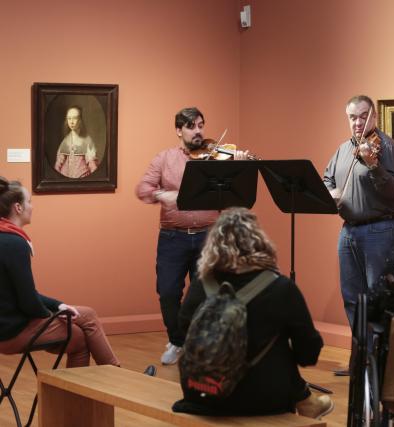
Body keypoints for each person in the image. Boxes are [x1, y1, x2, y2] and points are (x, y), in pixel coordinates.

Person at [173, 207, 333, 419]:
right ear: (259, 241)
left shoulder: (201, 283)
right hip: (260, 400)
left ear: (213, 244)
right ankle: (304, 398)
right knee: (276, 341)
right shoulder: (280, 288)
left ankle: (303, 397)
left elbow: (182, 331)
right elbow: (308, 352)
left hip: (200, 394)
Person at [136, 107, 248, 365]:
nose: (198, 131)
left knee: (206, 293)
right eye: (191, 126)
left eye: (200, 125)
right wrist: (160, 195)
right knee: (167, 291)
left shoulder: (216, 157)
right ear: (178, 130)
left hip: (208, 237)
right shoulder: (164, 159)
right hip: (172, 238)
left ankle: (197, 345)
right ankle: (177, 341)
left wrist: (240, 162)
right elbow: (143, 188)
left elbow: (238, 189)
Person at [0, 177, 119, 368]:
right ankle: (117, 379)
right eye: (29, 201)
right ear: (18, 208)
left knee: (80, 331)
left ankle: (95, 387)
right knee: (85, 324)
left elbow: (22, 293)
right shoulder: (14, 244)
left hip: (7, 326)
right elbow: (28, 301)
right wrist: (52, 313)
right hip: (11, 332)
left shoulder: (5, 237)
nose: (33, 207)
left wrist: (59, 306)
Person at [323, 95, 394, 333]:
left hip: (381, 229)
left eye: (363, 116)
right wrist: (332, 192)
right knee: (351, 297)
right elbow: (327, 178)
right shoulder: (343, 149)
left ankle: (379, 364)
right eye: (352, 118)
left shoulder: (387, 147)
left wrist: (373, 165)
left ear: (374, 117)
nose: (358, 123)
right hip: (349, 230)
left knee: (378, 298)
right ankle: (361, 360)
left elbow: (392, 191)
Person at [54, 106, 99, 178]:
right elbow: (58, 163)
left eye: (75, 118)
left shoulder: (87, 140)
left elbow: (92, 164)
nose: (71, 122)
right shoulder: (65, 140)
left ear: (80, 120)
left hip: (81, 177)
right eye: (69, 118)